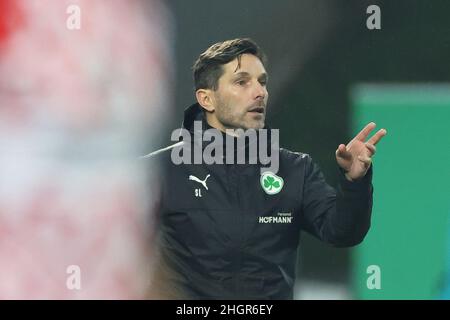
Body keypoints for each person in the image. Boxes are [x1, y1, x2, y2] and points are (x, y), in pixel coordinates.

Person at [146, 38, 387, 299]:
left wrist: (354, 183)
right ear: (206, 99)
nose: (259, 92)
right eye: (242, 82)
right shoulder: (160, 171)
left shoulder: (295, 169)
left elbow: (342, 232)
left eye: (262, 81)